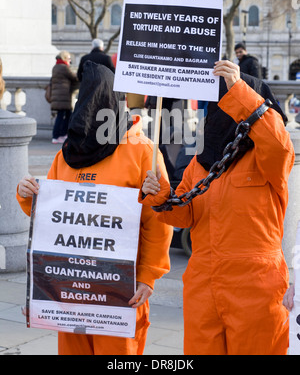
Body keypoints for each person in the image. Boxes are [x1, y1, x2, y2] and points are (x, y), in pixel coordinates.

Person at [16, 62, 172, 356]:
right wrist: (28, 196)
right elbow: (53, 216)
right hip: (71, 287)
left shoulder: (143, 151)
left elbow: (158, 220)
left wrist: (148, 276)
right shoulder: (67, 154)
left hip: (121, 288)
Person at [141, 59, 295, 355]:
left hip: (256, 284)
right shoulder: (200, 164)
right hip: (203, 282)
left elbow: (278, 144)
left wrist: (239, 90)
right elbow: (185, 214)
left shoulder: (268, 161)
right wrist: (160, 195)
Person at [51, 51, 78, 144]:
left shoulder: (56, 67)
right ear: (65, 58)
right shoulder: (64, 68)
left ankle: (61, 135)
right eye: (69, 58)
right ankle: (57, 136)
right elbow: (74, 77)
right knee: (63, 116)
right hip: (63, 96)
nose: (70, 61)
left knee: (65, 115)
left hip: (58, 96)